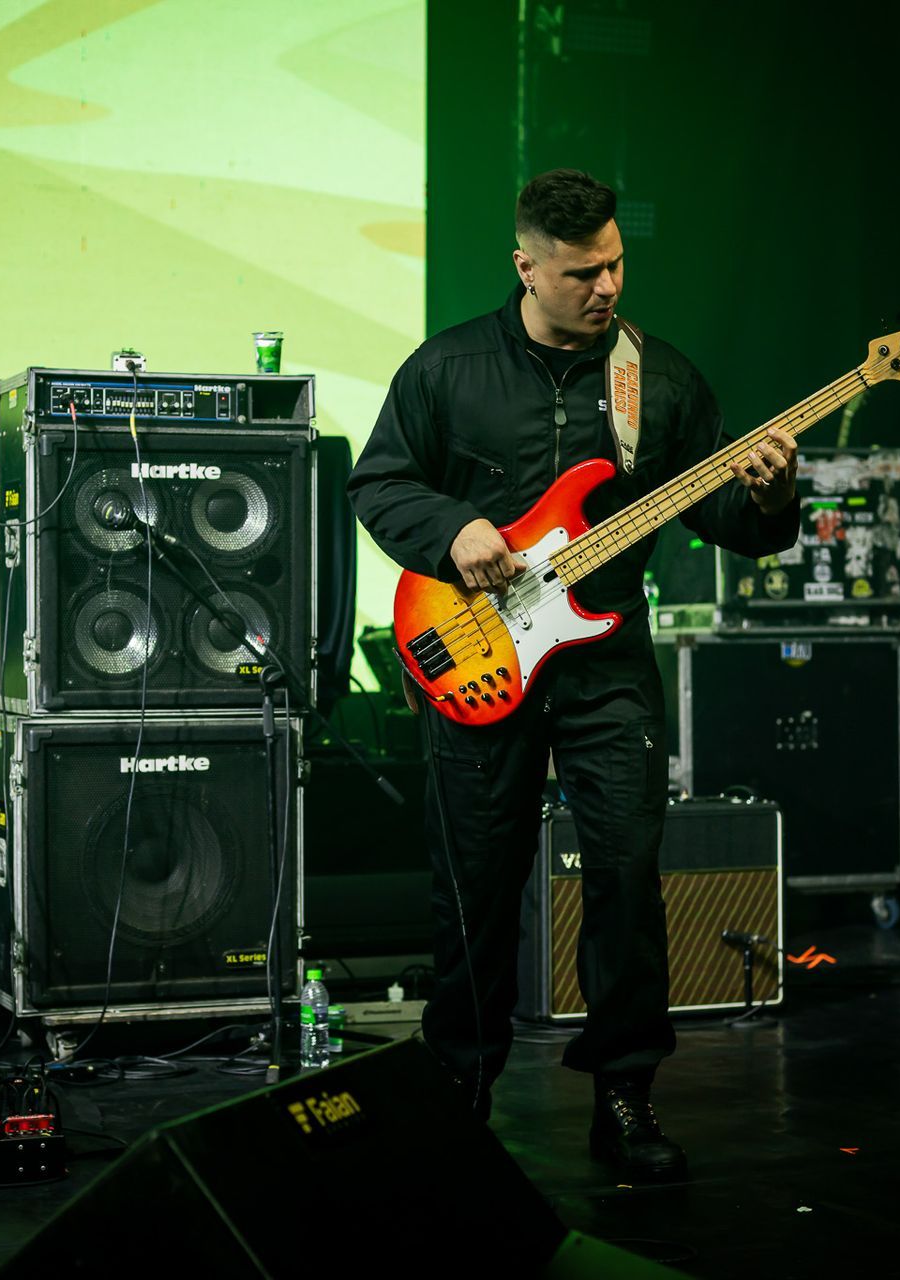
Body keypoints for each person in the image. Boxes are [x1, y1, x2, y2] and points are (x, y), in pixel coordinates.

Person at [347, 169, 800, 1179]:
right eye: (581, 271)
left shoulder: (662, 381)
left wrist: (770, 496)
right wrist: (452, 527)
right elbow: (379, 482)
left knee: (629, 882)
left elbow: (723, 517)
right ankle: (458, 1096)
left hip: (608, 667)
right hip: (476, 651)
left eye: (616, 266)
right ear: (526, 265)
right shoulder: (447, 368)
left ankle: (628, 1098)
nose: (605, 287)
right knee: (475, 888)